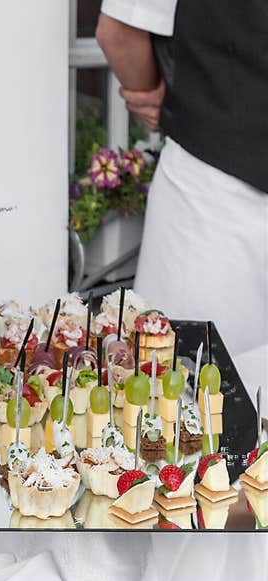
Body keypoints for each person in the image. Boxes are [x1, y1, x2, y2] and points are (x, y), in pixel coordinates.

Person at [97, 0, 268, 357]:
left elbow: (120, 31)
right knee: (186, 386)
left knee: (188, 393)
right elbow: (120, 32)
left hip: (211, 189)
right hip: (213, 196)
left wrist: (161, 98)